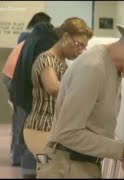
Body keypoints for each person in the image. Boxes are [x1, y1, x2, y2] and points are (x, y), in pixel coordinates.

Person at [37, 21, 124, 178]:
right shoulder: (93, 68)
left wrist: (120, 152)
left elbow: (95, 125)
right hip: (66, 167)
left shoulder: (113, 70)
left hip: (81, 165)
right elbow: (67, 132)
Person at [23, 17, 93, 158]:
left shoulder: (62, 62)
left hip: (51, 129)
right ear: (66, 37)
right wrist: (84, 90)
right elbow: (54, 88)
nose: (80, 50)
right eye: (79, 44)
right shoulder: (47, 59)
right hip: (42, 129)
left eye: (83, 47)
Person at [10, 22, 59, 179]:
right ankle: (33, 172)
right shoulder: (46, 43)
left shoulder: (30, 39)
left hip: (21, 95)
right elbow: (47, 81)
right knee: (36, 144)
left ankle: (28, 169)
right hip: (33, 101)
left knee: (27, 139)